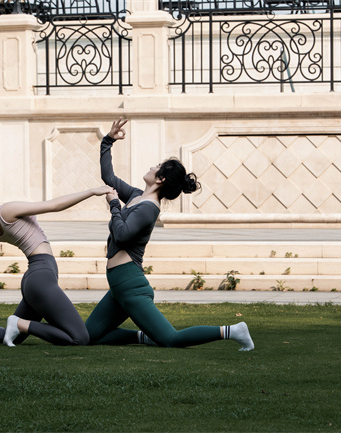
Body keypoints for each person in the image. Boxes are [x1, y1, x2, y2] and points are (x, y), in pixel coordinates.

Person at [84, 118, 254, 351]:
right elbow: (109, 178)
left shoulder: (149, 208)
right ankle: (144, 336)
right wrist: (108, 141)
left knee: (170, 339)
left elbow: (121, 235)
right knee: (89, 335)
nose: (152, 167)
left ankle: (233, 331)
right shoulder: (136, 196)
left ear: (160, 179)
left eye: (156, 167)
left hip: (130, 285)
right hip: (119, 286)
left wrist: (114, 204)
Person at [0, 178, 114, 346]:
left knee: (11, 337)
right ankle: (19, 323)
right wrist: (92, 191)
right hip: (40, 277)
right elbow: (54, 205)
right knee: (80, 338)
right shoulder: (6, 210)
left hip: (35, 279)